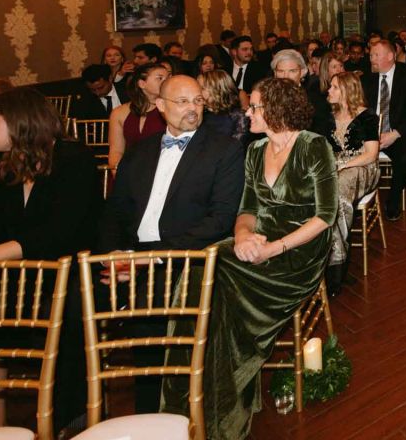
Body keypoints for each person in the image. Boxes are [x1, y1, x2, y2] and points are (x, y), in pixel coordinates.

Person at [64, 75, 245, 419]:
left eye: (198, 101)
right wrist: (115, 257)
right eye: (183, 102)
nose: (193, 109)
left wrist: (148, 259)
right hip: (127, 259)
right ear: (160, 106)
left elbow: (219, 221)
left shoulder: (223, 149)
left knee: (149, 317)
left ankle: (157, 413)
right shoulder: (140, 152)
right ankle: (76, 412)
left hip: (180, 261)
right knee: (72, 304)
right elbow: (114, 211)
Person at [168, 78, 336, 440]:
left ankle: (218, 399)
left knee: (221, 284)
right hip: (260, 241)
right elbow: (247, 209)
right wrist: (243, 236)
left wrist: (274, 248)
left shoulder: (313, 146)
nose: (247, 113)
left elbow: (325, 216)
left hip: (299, 254)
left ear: (276, 109)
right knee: (205, 266)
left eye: (255, 107)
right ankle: (192, 394)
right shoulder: (256, 150)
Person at [0, 88, 103, 431]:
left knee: (66, 309)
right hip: (22, 272)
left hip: (72, 269)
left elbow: (57, 236)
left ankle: (69, 420)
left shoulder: (73, 158)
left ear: (17, 122)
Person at [326, 71, 380, 295]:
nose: (329, 90)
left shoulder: (366, 116)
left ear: (347, 90)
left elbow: (371, 154)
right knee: (319, 193)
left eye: (334, 87)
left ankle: (337, 262)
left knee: (337, 194)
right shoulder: (328, 116)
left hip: (362, 167)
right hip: (335, 166)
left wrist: (344, 166)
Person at [363, 41, 406, 221]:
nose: (372, 59)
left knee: (404, 159)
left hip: (399, 133)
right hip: (372, 135)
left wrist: (394, 134)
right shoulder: (366, 79)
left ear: (390, 56)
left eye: (376, 55)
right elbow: (360, 109)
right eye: (371, 55)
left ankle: (394, 199)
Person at [107, 63, 169, 169]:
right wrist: (118, 172)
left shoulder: (171, 109)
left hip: (161, 169)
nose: (167, 82)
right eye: (160, 78)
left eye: (168, 78)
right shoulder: (119, 112)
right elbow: (116, 151)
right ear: (142, 84)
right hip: (129, 170)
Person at [199, 69, 249, 145]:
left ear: (216, 90)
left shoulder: (237, 116)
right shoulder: (200, 113)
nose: (197, 91)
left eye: (201, 88)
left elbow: (235, 146)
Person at [230, 36, 270, 107]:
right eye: (245, 49)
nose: (249, 52)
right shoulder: (224, 70)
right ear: (234, 52)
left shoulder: (260, 69)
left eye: (251, 49)